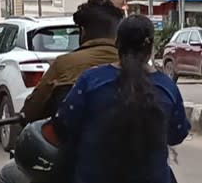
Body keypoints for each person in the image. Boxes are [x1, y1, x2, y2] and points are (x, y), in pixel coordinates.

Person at [0, 0, 124, 183]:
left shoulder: (65, 65)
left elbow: (32, 110)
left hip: (76, 165)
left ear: (83, 31)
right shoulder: (141, 69)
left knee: (9, 174)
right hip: (132, 164)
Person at [52, 14, 191, 183]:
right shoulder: (167, 88)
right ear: (151, 48)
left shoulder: (91, 81)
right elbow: (177, 134)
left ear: (117, 44)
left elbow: (64, 124)